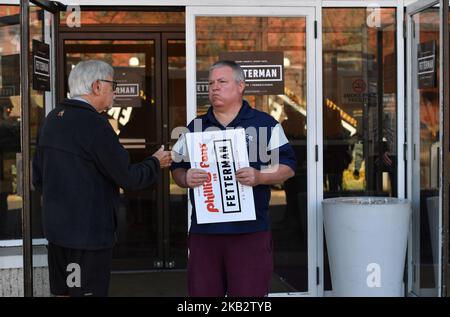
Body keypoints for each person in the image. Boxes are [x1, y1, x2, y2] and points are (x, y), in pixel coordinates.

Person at [32, 60, 172, 297]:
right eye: (113, 84)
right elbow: (128, 178)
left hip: (57, 231)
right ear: (97, 86)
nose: (115, 91)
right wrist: (155, 162)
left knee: (64, 293)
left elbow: (38, 178)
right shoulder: (95, 124)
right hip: (87, 234)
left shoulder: (52, 118)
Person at [170, 60, 297, 297]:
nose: (214, 88)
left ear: (241, 86)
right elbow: (177, 167)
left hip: (250, 231)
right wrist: (184, 177)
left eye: (221, 82)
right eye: (210, 83)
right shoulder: (195, 126)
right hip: (205, 232)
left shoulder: (265, 124)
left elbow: (288, 166)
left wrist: (260, 176)